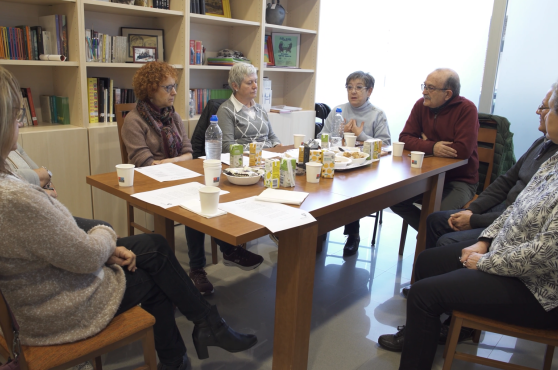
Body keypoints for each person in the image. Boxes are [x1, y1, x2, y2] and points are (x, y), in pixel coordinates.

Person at [0, 66, 257, 370]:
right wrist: (107, 238)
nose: (21, 125)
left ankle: (200, 335)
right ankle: (200, 336)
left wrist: (103, 240)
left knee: (156, 247)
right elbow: (84, 256)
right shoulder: (16, 197)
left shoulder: (12, 188)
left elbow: (190, 154)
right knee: (158, 273)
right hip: (61, 307)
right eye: (17, 118)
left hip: (51, 287)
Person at [377, 81, 558, 370]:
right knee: (427, 259)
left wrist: (486, 260)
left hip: (539, 289)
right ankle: (426, 330)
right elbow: (517, 209)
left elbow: (547, 252)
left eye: (547, 109)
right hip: (507, 249)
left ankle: (443, 325)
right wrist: (484, 240)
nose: (540, 112)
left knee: (425, 293)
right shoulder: (550, 153)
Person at [121, 62, 263, 295]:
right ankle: (205, 264)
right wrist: (177, 162)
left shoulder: (173, 116)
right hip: (152, 184)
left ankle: (225, 251)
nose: (174, 92)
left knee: (210, 190)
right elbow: (145, 164)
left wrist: (171, 162)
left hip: (180, 175)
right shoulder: (134, 121)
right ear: (150, 90)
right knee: (195, 202)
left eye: (174, 86)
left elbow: (189, 151)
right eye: (168, 88)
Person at [425, 86, 558, 249]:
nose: (537, 111)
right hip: (501, 211)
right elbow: (506, 181)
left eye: (545, 107)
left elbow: (523, 215)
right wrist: (472, 210)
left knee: (445, 242)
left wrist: (473, 220)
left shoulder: (553, 163)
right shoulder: (541, 143)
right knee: (435, 220)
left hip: (514, 227)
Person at [390, 68, 479, 232]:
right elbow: (404, 138)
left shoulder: (467, 109)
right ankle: (428, 234)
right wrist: (433, 146)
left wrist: (425, 142)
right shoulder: (420, 105)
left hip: (459, 180)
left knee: (437, 217)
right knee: (394, 199)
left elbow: (462, 150)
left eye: (430, 88)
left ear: (447, 94)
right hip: (426, 176)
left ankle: (429, 237)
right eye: (424, 86)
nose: (424, 92)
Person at [318, 71, 391, 256]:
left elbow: (387, 145)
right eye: (349, 87)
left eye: (359, 87)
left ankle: (353, 234)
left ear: (370, 91)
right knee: (321, 186)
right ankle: (319, 230)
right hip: (337, 163)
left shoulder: (377, 114)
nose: (353, 92)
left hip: (365, 169)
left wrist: (361, 136)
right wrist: (337, 134)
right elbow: (320, 138)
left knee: (352, 188)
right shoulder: (338, 111)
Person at [216, 63, 281, 153]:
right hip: (244, 161)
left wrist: (278, 145)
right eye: (250, 83)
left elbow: (271, 136)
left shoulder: (260, 108)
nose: (255, 86)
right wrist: (261, 150)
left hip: (267, 158)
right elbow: (227, 147)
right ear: (235, 86)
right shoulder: (225, 110)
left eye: (256, 81)